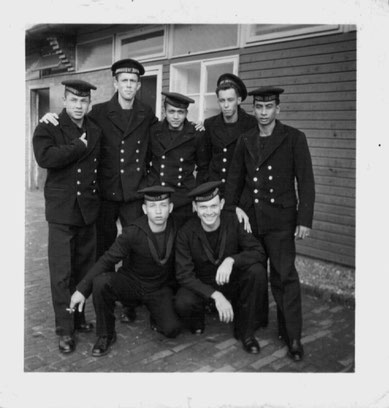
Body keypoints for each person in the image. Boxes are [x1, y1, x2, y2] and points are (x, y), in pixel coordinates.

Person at [40, 58, 158, 323]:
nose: (128, 85)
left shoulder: (146, 113)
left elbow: (159, 140)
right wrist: (49, 118)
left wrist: (195, 128)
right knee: (102, 253)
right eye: (124, 80)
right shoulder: (99, 113)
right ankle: (101, 299)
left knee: (135, 249)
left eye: (133, 81)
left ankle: (129, 301)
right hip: (103, 195)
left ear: (139, 85)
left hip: (133, 195)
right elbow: (72, 131)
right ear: (115, 83)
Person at [225, 86, 315, 361]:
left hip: (281, 221)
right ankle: (248, 330)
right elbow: (234, 180)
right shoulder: (246, 139)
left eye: (269, 107)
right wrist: (232, 210)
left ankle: (293, 336)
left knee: (284, 276)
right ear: (253, 109)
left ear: (278, 109)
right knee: (251, 275)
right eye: (259, 108)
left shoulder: (294, 138)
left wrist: (304, 219)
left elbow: (306, 181)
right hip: (252, 221)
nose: (263, 113)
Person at [69, 186, 181, 357]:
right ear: (144, 209)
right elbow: (107, 260)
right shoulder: (133, 231)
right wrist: (82, 290)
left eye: (163, 205)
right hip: (133, 285)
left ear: (170, 208)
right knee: (102, 282)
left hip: (159, 289)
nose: (158, 211)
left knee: (171, 330)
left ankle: (155, 313)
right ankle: (106, 334)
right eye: (152, 206)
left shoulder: (178, 227)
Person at [32, 79, 101, 354]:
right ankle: (65, 329)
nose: (79, 105)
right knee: (62, 274)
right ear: (64, 101)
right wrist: (78, 147)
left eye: (83, 101)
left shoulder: (94, 129)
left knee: (84, 272)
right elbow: (45, 158)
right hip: (62, 212)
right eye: (74, 100)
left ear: (89, 104)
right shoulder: (48, 126)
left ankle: (80, 318)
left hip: (87, 211)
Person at [174, 181, 268, 354]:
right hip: (203, 286)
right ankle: (199, 318)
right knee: (183, 302)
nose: (209, 212)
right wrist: (215, 295)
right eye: (203, 207)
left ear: (222, 205)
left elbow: (258, 252)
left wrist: (232, 260)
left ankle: (245, 332)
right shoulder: (186, 232)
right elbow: (183, 275)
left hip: (229, 281)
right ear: (195, 207)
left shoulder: (234, 220)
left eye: (213, 206)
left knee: (257, 271)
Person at [146, 91, 208, 227]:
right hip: (158, 195)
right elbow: (146, 161)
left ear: (186, 113)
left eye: (180, 112)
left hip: (183, 197)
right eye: (171, 111)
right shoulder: (154, 131)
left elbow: (203, 168)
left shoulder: (196, 134)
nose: (175, 116)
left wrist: (196, 197)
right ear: (164, 111)